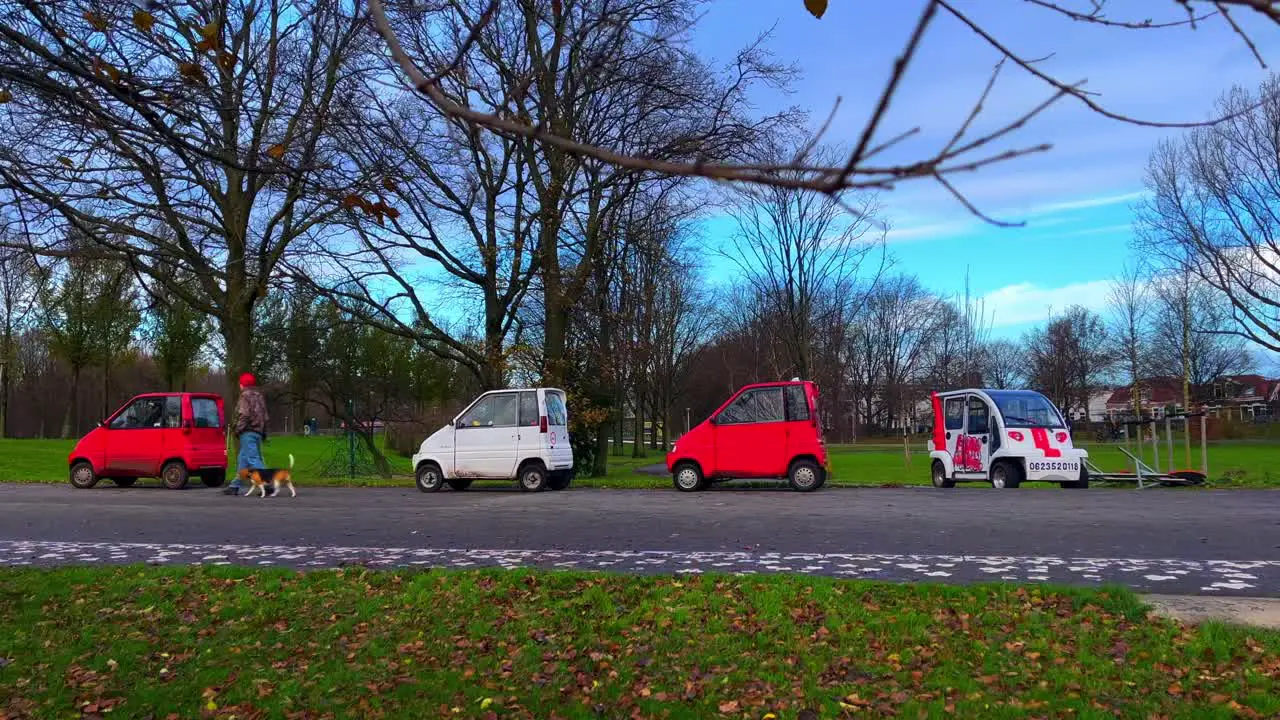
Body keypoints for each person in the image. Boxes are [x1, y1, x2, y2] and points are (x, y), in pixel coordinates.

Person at [224, 372, 271, 496]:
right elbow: (265, 416)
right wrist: (264, 432)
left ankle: (266, 483)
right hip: (258, 432)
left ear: (242, 384)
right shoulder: (259, 396)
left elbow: (244, 415)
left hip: (248, 432)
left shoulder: (244, 396)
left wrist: (238, 429)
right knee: (242, 459)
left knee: (253, 459)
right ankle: (235, 485)